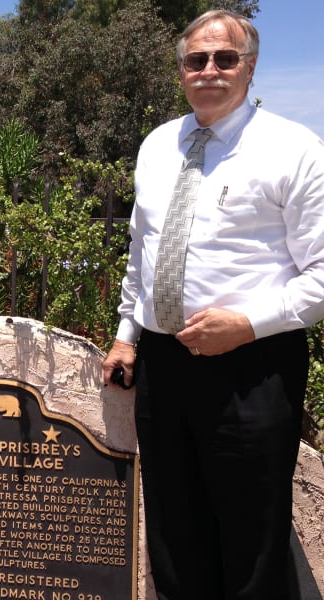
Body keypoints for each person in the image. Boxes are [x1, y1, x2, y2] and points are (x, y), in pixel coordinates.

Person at [102, 9, 324, 600]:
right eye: (196, 60)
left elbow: (322, 276)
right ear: (180, 70)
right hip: (163, 367)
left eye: (225, 59)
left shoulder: (294, 149)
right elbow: (142, 252)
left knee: (252, 539)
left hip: (252, 369)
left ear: (249, 68)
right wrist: (127, 333)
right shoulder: (157, 144)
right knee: (174, 532)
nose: (209, 70)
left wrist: (248, 325)